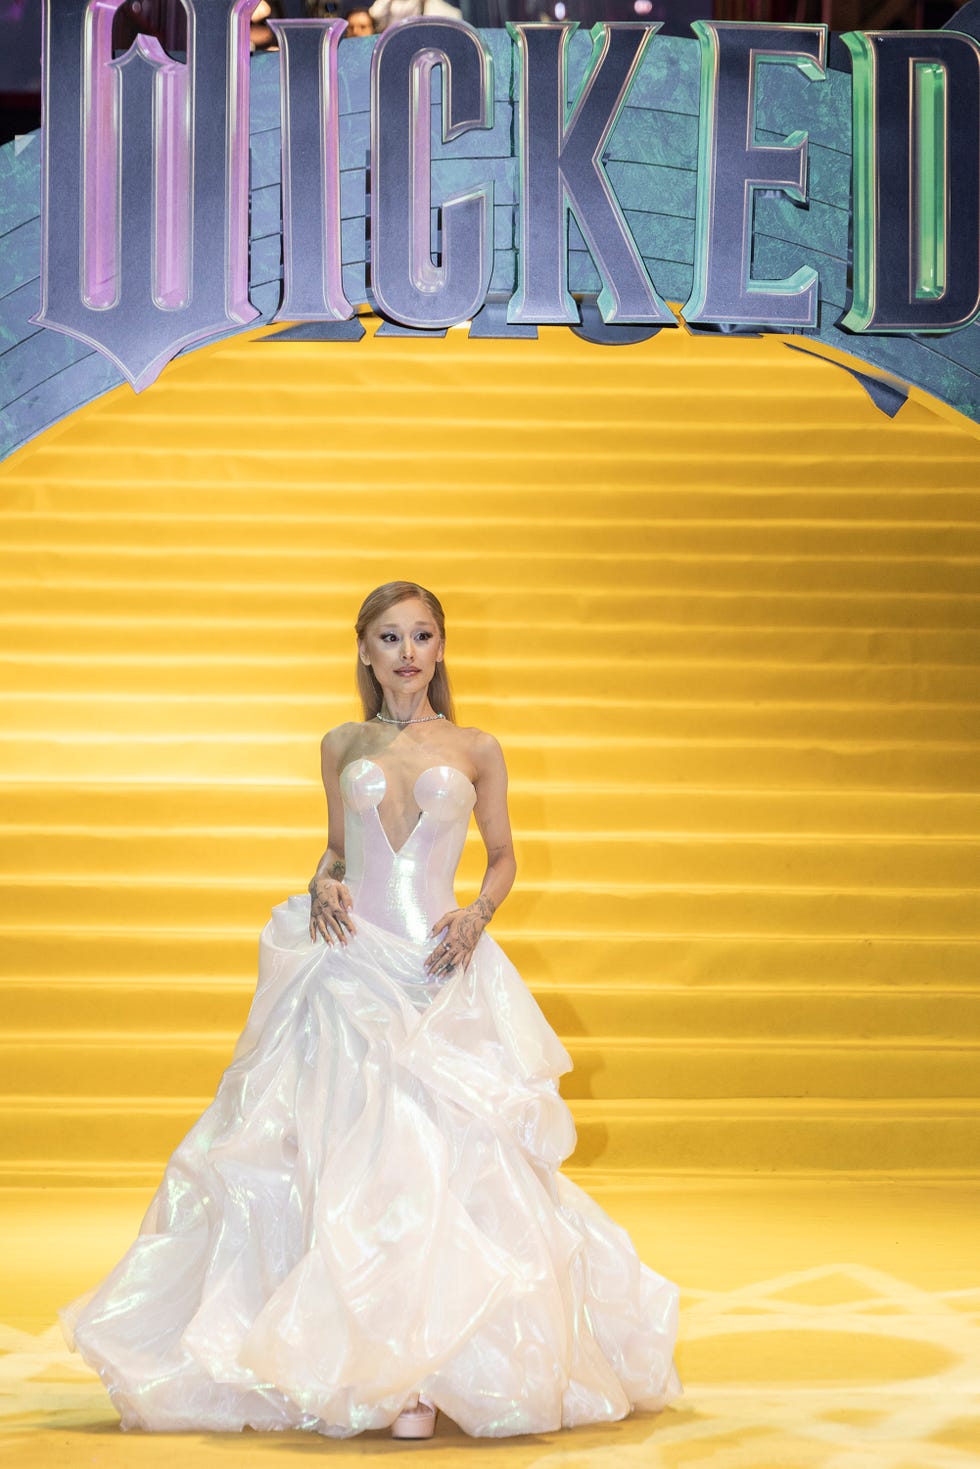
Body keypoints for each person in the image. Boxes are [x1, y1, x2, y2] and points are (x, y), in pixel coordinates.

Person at [57, 580, 684, 1441]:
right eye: (389, 637)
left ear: (439, 647)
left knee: (436, 1167)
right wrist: (320, 881)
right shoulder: (340, 742)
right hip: (348, 975)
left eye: (422, 635)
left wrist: (474, 917)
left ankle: (428, 1370)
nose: (407, 652)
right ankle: (373, 1371)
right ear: (364, 650)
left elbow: (502, 856)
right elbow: (338, 849)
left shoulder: (476, 747)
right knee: (350, 1168)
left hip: (436, 968)